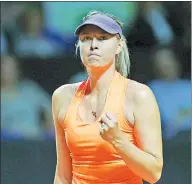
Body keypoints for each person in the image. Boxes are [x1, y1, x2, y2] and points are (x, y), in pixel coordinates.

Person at [52, 11, 163, 184]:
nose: (93, 45)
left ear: (119, 45)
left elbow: (153, 173)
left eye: (103, 38)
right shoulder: (63, 96)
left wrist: (118, 140)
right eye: (86, 38)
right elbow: (63, 174)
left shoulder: (139, 95)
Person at [1, 55, 53, 140]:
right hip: (8, 143)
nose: (6, 72)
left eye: (10, 68)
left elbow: (51, 108)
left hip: (36, 140)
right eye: (3, 67)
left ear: (17, 70)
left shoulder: (29, 89)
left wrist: (49, 128)